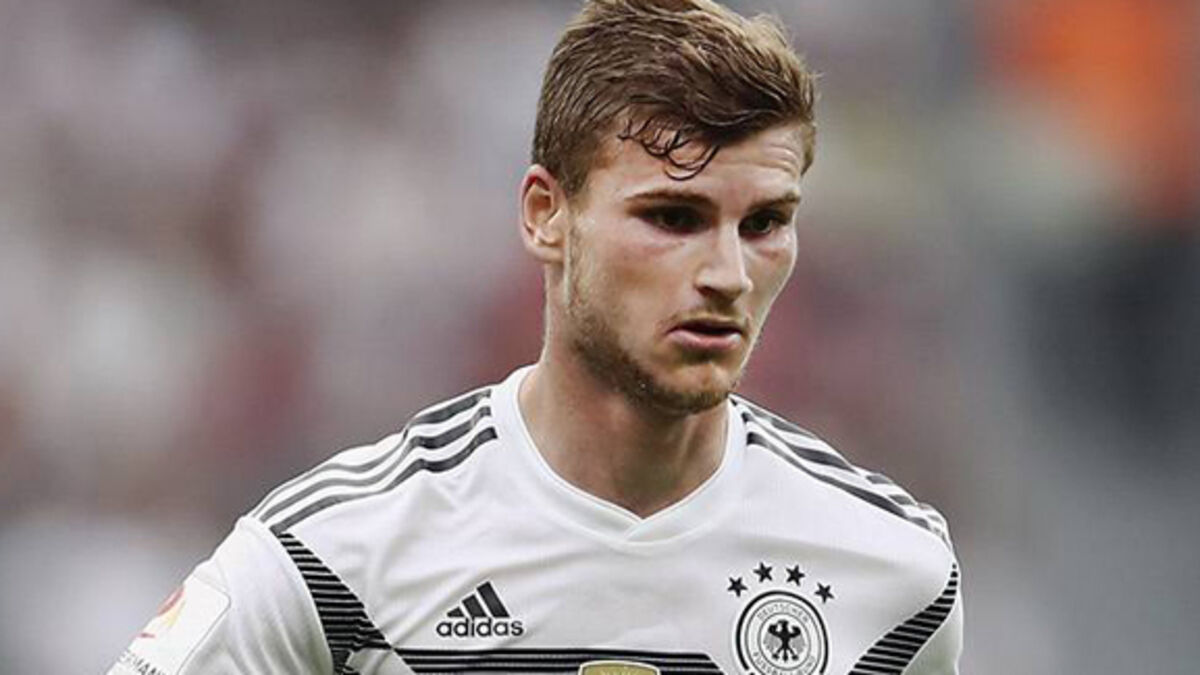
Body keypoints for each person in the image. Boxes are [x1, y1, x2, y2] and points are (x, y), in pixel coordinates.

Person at [109, 1, 962, 673]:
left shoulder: (893, 572)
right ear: (546, 215)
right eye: (673, 217)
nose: (728, 273)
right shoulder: (336, 557)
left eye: (765, 223)